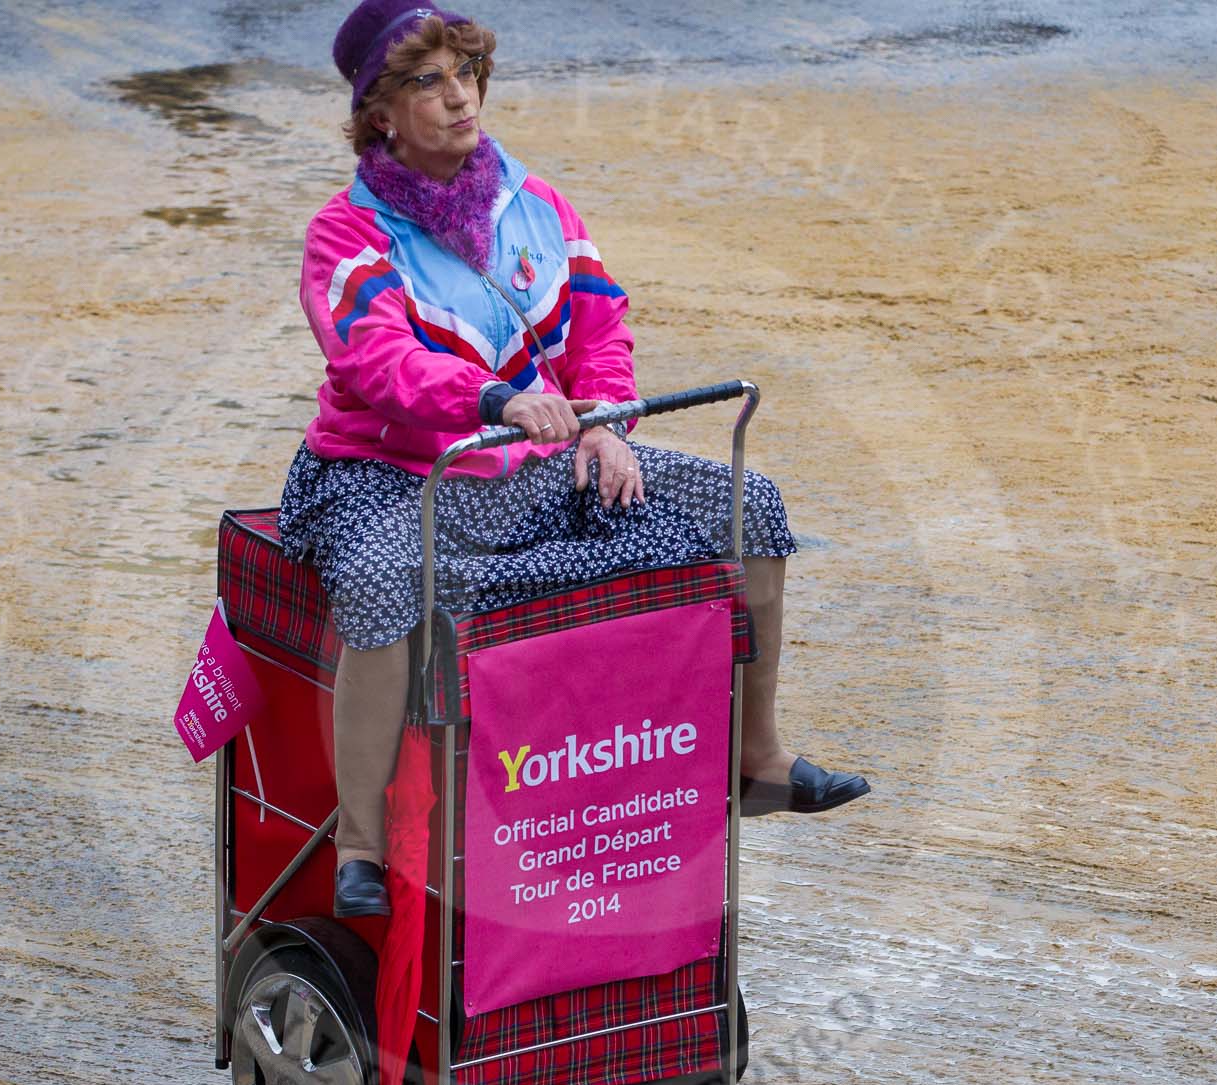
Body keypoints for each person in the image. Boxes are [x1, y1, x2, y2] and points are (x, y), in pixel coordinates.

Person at [285, 2, 870, 917]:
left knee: (751, 506)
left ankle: (754, 759)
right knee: (381, 577)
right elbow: (376, 362)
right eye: (428, 82)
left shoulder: (540, 203)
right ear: (380, 113)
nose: (460, 97)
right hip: (392, 470)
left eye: (466, 73)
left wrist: (604, 426)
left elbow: (599, 327)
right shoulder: (345, 234)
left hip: (541, 455)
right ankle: (359, 841)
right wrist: (495, 399)